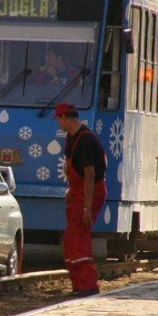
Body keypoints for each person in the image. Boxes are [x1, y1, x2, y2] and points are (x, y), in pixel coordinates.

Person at [54, 102, 107, 297]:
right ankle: (78, 283)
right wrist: (72, 190)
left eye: (59, 119)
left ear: (67, 117)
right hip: (79, 190)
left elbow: (90, 175)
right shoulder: (70, 138)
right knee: (71, 237)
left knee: (79, 236)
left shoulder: (85, 140)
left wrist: (86, 208)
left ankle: (87, 285)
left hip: (90, 191)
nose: (58, 123)